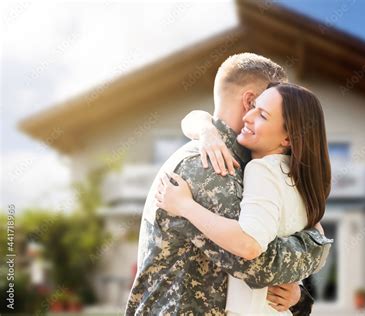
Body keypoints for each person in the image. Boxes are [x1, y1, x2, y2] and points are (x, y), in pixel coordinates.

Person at [125, 53, 332, 315]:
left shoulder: (252, 164)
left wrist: (298, 296)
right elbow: (254, 259)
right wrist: (317, 248)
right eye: (263, 104)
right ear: (250, 101)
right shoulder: (209, 165)